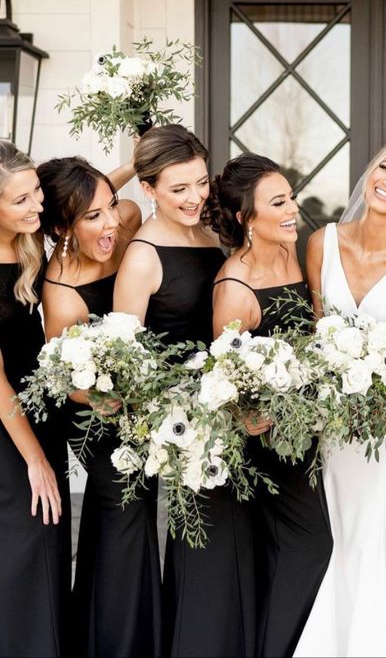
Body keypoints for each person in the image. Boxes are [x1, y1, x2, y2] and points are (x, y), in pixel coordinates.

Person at [294, 140, 386, 657]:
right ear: (369, 173)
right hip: (333, 413)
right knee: (337, 519)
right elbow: (317, 331)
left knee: (380, 517)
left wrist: (378, 397)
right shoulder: (321, 242)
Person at [113, 126, 243, 658]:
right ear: (149, 189)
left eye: (199, 184)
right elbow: (126, 362)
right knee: (202, 550)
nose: (194, 199)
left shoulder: (210, 236)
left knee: (230, 545)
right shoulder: (142, 256)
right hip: (188, 428)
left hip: (231, 411)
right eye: (177, 189)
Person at [207, 152, 333, 658]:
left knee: (290, 553)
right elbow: (227, 387)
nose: (292, 209)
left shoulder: (289, 252)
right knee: (311, 546)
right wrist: (254, 414)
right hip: (269, 447)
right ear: (245, 218)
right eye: (278, 202)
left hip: (303, 432)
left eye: (291, 197)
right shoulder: (234, 290)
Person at [38, 156, 164, 658]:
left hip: (143, 406)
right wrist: (130, 395)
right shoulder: (62, 291)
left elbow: (105, 198)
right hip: (99, 417)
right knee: (123, 517)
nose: (112, 221)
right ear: (62, 227)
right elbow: (68, 385)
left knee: (130, 525)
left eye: (109, 207)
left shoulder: (128, 220)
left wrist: (133, 163)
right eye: (93, 216)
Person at [0, 141, 69, 657]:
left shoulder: (26, 239)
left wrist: (142, 163)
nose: (36, 206)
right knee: (29, 547)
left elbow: (96, 195)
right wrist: (36, 459)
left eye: (37, 193)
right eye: (21, 199)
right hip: (9, 427)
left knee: (47, 547)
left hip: (39, 413)